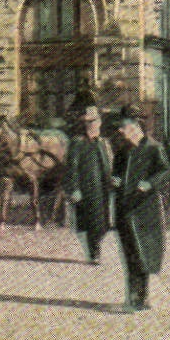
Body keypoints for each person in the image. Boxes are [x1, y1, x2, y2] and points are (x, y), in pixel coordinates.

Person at [113, 115, 170, 312]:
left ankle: (142, 297)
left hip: (145, 209)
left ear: (135, 127)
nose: (121, 134)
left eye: (124, 129)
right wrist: (115, 180)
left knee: (143, 252)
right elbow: (116, 173)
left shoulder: (154, 148)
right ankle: (133, 297)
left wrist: (150, 183)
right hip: (125, 209)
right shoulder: (122, 151)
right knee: (129, 253)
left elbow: (166, 171)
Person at [65, 106, 116, 264]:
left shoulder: (103, 142)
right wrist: (74, 189)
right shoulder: (78, 143)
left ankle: (95, 247)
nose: (90, 125)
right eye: (87, 122)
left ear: (99, 122)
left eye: (93, 121)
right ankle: (94, 253)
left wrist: (114, 179)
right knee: (92, 222)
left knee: (103, 224)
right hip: (87, 188)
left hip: (103, 188)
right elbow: (72, 167)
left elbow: (109, 162)